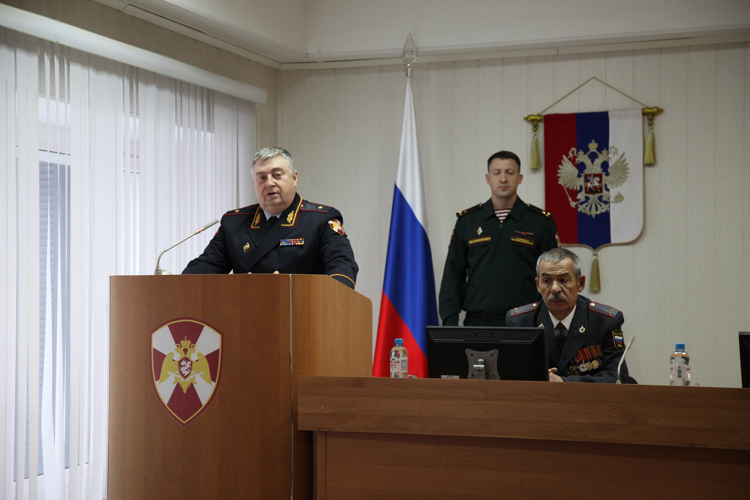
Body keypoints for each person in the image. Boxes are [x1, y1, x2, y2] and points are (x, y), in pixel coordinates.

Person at [182, 147, 358, 289]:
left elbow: (342, 268)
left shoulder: (321, 220)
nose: (269, 183)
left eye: (277, 175)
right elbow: (205, 268)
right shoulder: (234, 222)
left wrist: (333, 300)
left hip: (302, 316)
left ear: (295, 178)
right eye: (261, 178)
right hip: (244, 318)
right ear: (254, 183)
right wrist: (176, 285)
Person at [439, 150, 559, 326]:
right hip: (478, 322)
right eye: (497, 173)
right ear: (488, 178)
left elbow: (554, 275)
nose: (503, 179)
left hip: (526, 321)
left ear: (520, 178)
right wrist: (450, 320)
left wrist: (554, 319)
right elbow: (453, 275)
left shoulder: (540, 222)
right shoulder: (468, 222)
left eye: (509, 172)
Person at [505, 248, 635, 383]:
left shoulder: (605, 321)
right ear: (538, 285)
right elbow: (508, 374)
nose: (555, 288)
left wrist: (563, 382)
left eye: (563, 280)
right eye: (547, 281)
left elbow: (617, 377)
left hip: (588, 402)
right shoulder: (519, 321)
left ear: (580, 283)